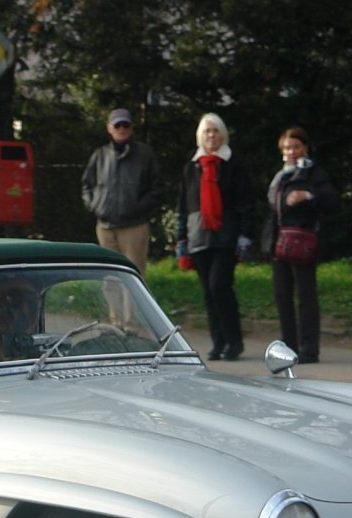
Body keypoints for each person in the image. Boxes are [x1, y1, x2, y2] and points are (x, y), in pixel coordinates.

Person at [176, 113, 253, 361]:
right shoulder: (192, 166)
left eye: (215, 131)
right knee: (208, 293)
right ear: (201, 135)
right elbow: (183, 205)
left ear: (223, 134)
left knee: (220, 286)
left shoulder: (233, 164)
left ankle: (234, 341)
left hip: (226, 236)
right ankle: (217, 343)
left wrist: (245, 235)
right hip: (198, 236)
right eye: (207, 131)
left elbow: (245, 202)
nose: (211, 136)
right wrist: (181, 238)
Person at [263, 127, 338, 364]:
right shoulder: (281, 176)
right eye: (286, 148)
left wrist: (307, 195)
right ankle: (289, 345)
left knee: (306, 295)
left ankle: (309, 348)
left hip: (302, 241)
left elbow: (331, 200)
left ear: (304, 147)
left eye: (295, 147)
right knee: (282, 295)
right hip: (279, 242)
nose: (291, 152)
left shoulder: (314, 173)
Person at [80, 108, 160, 277]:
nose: (121, 129)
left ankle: (133, 306)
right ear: (109, 128)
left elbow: (156, 188)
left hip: (134, 226)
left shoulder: (145, 154)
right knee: (109, 276)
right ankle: (114, 306)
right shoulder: (100, 155)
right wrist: (95, 206)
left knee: (134, 275)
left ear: (131, 128)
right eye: (117, 125)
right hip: (105, 227)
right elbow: (87, 184)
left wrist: (137, 208)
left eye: (125, 125)